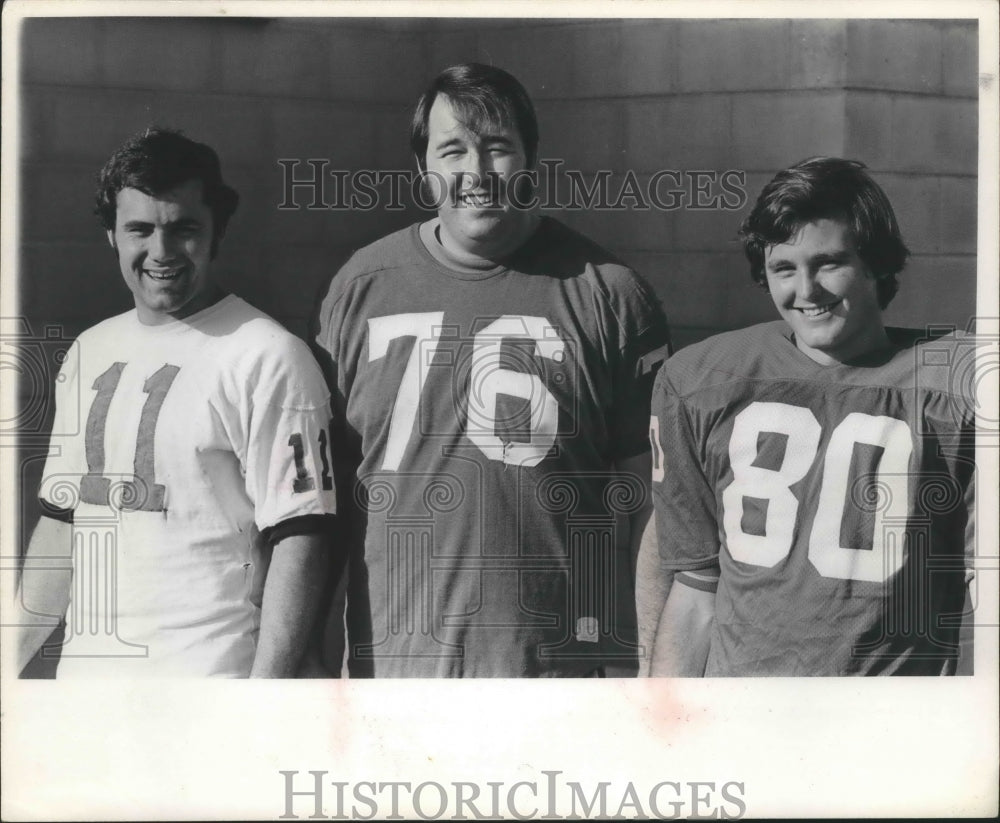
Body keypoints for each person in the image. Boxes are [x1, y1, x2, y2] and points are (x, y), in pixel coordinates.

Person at [312, 63, 671, 677]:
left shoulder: (610, 295)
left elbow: (651, 504)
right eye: (453, 150)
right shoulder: (361, 288)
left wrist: (642, 662)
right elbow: (330, 500)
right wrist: (320, 659)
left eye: (497, 148)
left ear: (531, 159)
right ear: (424, 170)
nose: (476, 174)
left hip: (558, 669)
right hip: (398, 670)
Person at [14, 128, 337, 677]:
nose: (160, 252)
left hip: (209, 688)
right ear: (112, 236)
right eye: (139, 229)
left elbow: (302, 537)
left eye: (183, 229)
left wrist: (266, 699)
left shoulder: (268, 354)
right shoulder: (91, 348)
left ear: (216, 234)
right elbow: (63, 525)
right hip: (90, 696)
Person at [641, 157, 975, 676]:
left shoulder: (956, 386)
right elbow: (694, 588)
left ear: (877, 265)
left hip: (888, 724)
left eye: (828, 263)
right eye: (783, 269)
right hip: (744, 718)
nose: (806, 290)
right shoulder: (701, 382)